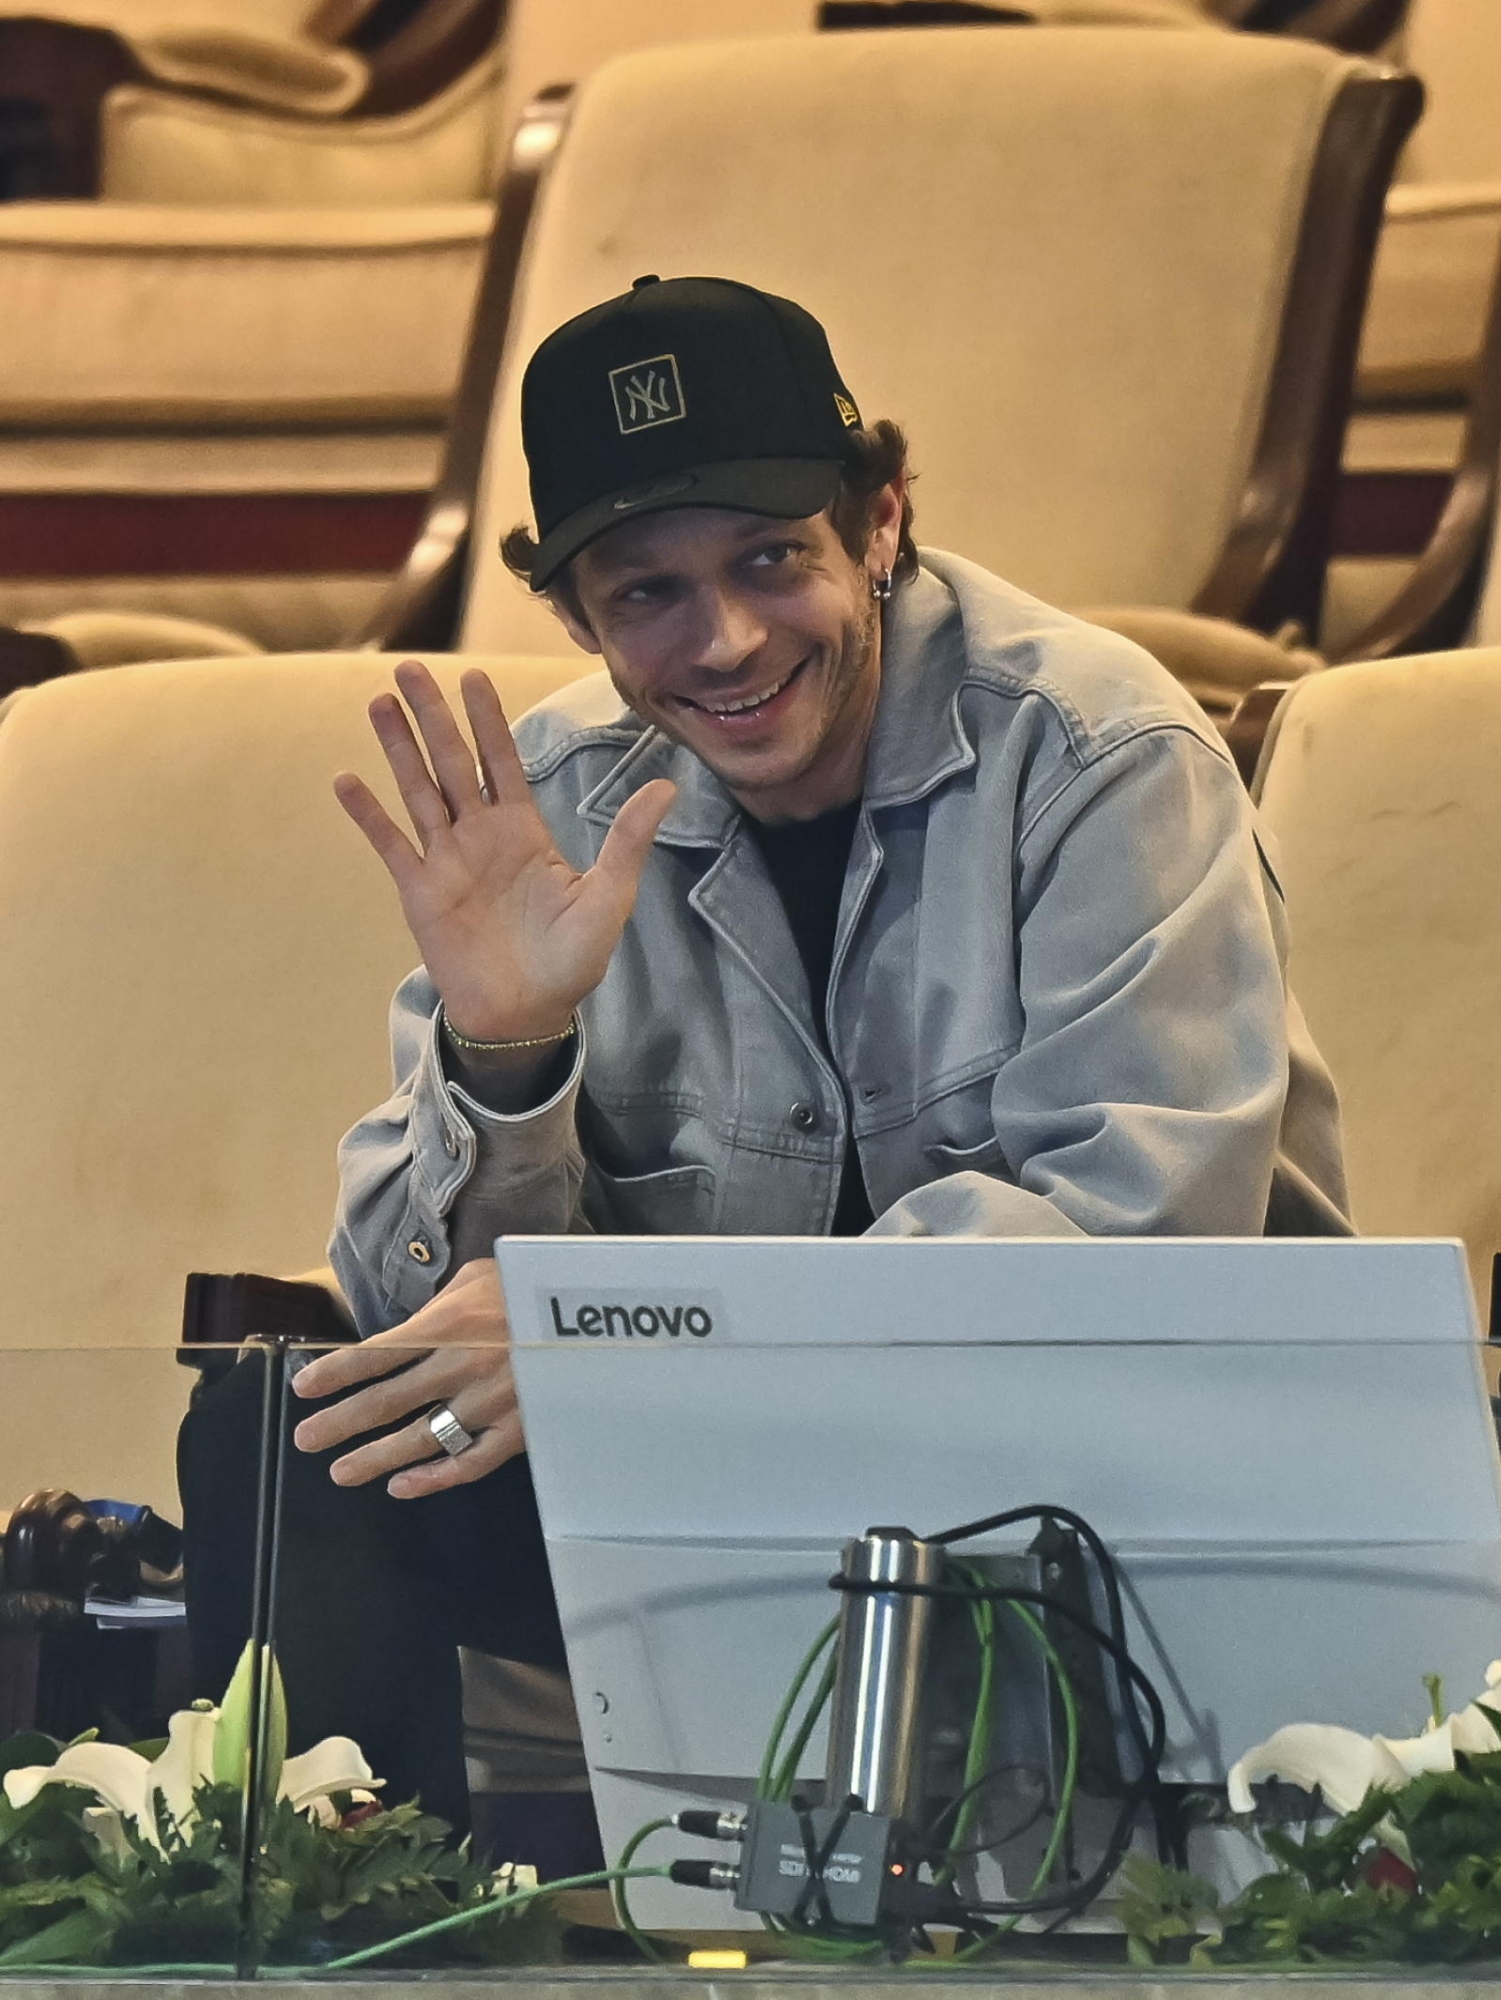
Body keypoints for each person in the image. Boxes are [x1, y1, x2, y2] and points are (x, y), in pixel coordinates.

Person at [179, 275, 1348, 1824]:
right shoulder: (555, 799)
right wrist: (505, 1046)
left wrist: (630, 1325)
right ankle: (361, 1933)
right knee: (294, 1427)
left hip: (1096, 1490)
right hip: (723, 1487)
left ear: (880, 519)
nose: (722, 641)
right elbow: (430, 1317)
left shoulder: (1101, 751)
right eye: (644, 593)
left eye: (768, 558)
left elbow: (1132, 1257)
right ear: (574, 616)